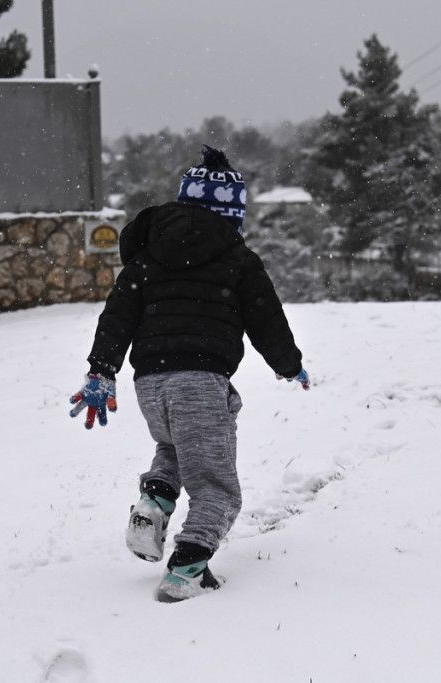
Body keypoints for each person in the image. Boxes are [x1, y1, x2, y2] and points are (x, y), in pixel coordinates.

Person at [68, 145, 310, 602]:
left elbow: (117, 316)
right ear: (232, 213)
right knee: (216, 487)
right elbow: (266, 318)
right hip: (199, 382)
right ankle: (188, 569)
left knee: (175, 447)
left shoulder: (147, 259)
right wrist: (288, 364)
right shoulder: (239, 260)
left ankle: (153, 505)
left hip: (150, 384)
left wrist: (101, 370)